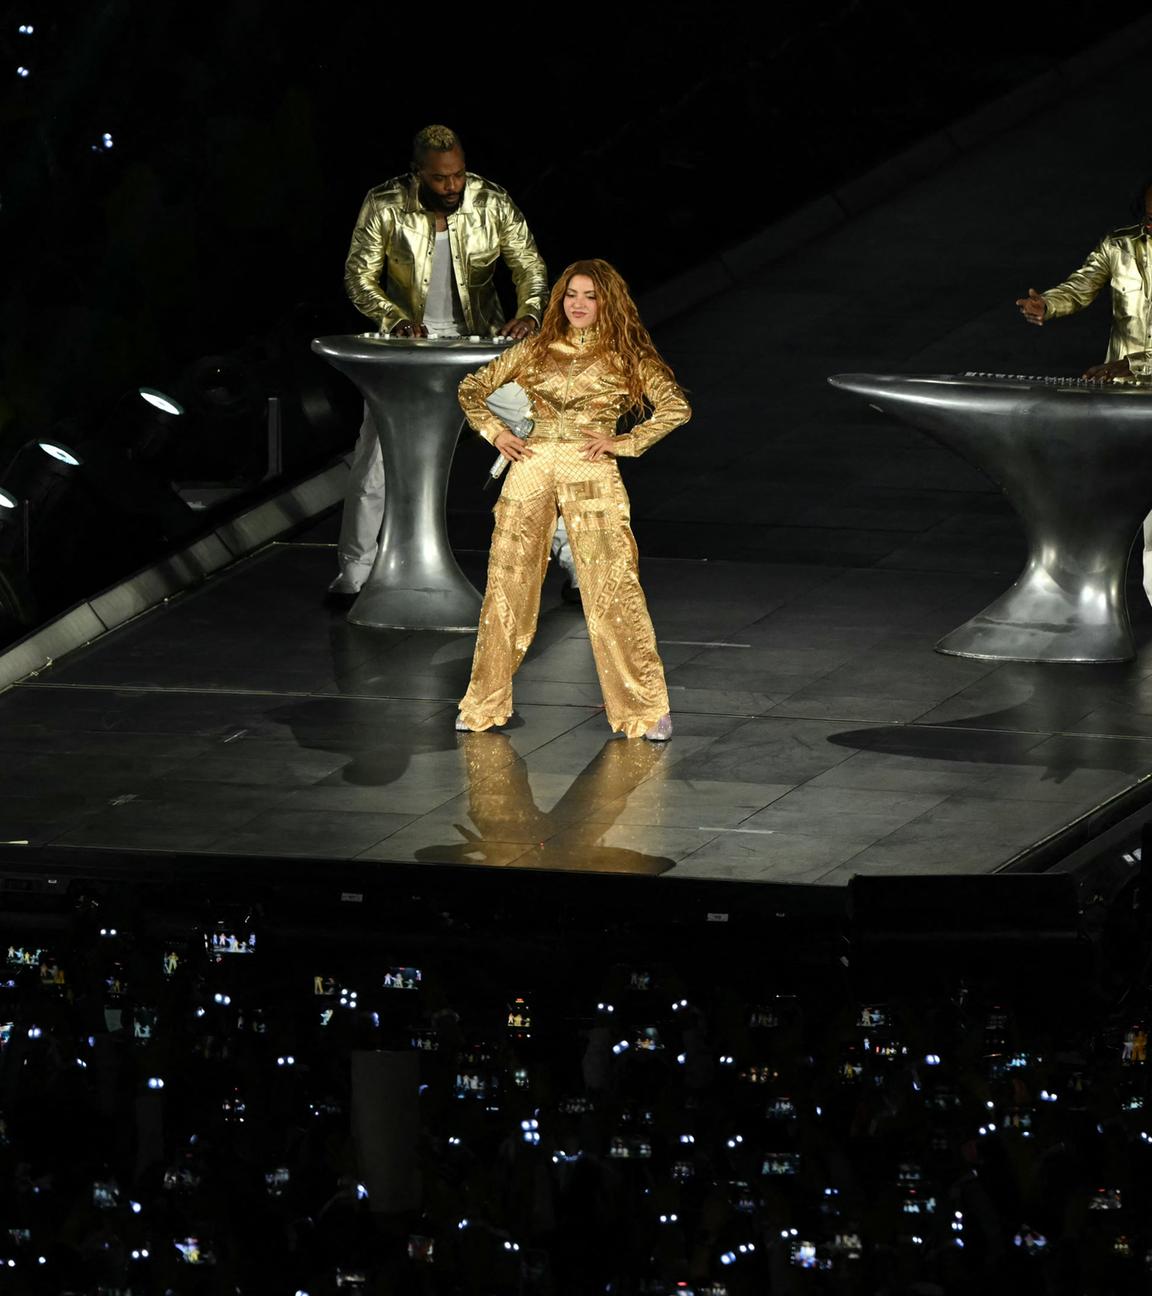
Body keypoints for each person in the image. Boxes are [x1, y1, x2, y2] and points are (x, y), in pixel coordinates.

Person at [332, 125, 579, 600]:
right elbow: (358, 275)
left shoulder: (491, 200)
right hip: (408, 355)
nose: (452, 186)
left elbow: (528, 264)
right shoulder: (384, 204)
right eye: (441, 178)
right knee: (375, 462)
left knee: (538, 441)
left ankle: (573, 565)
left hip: (478, 348)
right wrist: (395, 317)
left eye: (458, 176)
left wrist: (528, 312)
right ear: (417, 174)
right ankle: (354, 572)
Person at [454, 259, 690, 741]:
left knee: (612, 588)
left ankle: (645, 708)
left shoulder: (625, 355)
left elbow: (675, 407)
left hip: (591, 472)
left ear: (608, 302)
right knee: (507, 586)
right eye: (571, 295)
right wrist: (497, 432)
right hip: (531, 468)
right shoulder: (537, 348)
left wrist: (623, 442)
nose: (578, 305)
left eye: (590, 296)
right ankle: (483, 702)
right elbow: (471, 388)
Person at [1015, 179, 1152, 379]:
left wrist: (1136, 364)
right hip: (1121, 387)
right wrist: (1047, 304)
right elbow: (1080, 286)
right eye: (1149, 219)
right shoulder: (1117, 246)